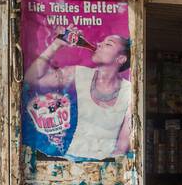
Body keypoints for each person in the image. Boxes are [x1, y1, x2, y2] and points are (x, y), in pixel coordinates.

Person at [25, 28, 132, 160]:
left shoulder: (129, 92)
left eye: (108, 44)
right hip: (70, 161)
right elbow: (32, 79)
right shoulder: (79, 74)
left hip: (105, 167)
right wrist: (56, 45)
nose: (99, 44)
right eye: (102, 42)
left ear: (120, 58)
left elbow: (122, 147)